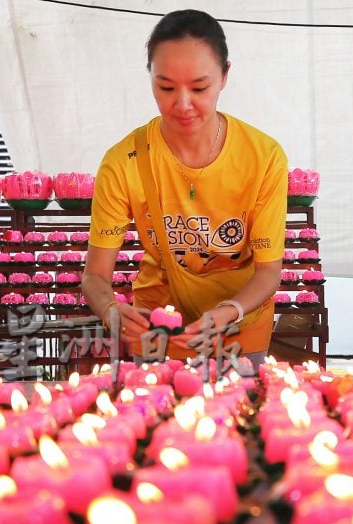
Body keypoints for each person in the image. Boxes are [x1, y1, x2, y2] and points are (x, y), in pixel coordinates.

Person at [83, 9, 287, 371]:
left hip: (241, 323)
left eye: (199, 87)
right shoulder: (123, 162)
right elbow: (96, 275)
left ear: (224, 76)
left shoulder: (263, 157)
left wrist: (229, 310)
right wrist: (112, 312)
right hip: (157, 327)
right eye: (165, 87)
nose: (182, 104)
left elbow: (268, 271)